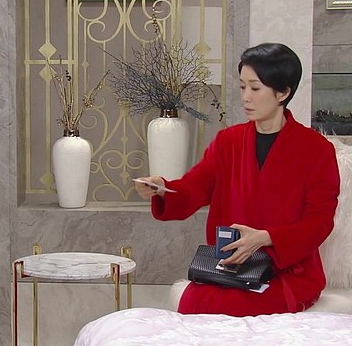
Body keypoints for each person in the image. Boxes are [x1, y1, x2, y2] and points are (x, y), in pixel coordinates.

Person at [135, 43, 340, 316]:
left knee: (233, 305)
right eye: (242, 87)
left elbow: (320, 220)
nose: (245, 97)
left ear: (283, 92)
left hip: (286, 270)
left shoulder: (316, 149)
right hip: (231, 265)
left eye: (255, 88)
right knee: (193, 301)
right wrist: (163, 189)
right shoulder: (228, 141)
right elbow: (196, 186)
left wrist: (266, 238)